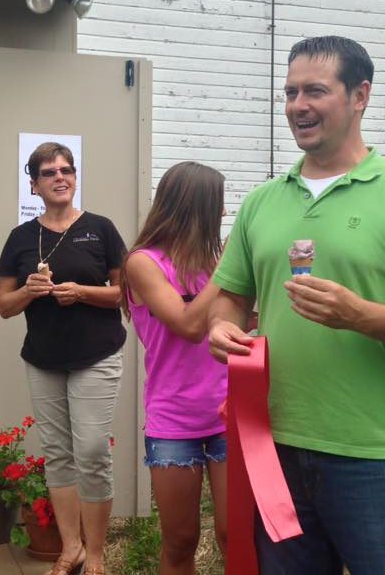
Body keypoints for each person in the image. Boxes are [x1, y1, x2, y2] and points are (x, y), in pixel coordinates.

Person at [207, 36, 385, 575]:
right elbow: (232, 297)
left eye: (315, 91)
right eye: (289, 93)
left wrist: (360, 315)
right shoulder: (263, 201)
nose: (297, 106)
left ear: (360, 96)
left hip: (376, 457)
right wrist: (222, 328)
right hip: (274, 451)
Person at [0, 142, 126, 575]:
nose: (60, 177)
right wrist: (28, 291)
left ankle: (98, 553)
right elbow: (4, 305)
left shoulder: (100, 229)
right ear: (33, 184)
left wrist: (83, 293)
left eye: (66, 169)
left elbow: (125, 294)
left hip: (96, 356)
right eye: (48, 172)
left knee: (91, 450)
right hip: (43, 359)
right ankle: (71, 548)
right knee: (57, 453)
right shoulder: (20, 237)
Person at [121, 161, 228, 574]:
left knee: (234, 534)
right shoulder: (143, 263)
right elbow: (187, 326)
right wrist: (227, 269)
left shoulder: (216, 260)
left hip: (228, 410)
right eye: (216, 203)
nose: (222, 213)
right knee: (181, 540)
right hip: (173, 417)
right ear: (194, 206)